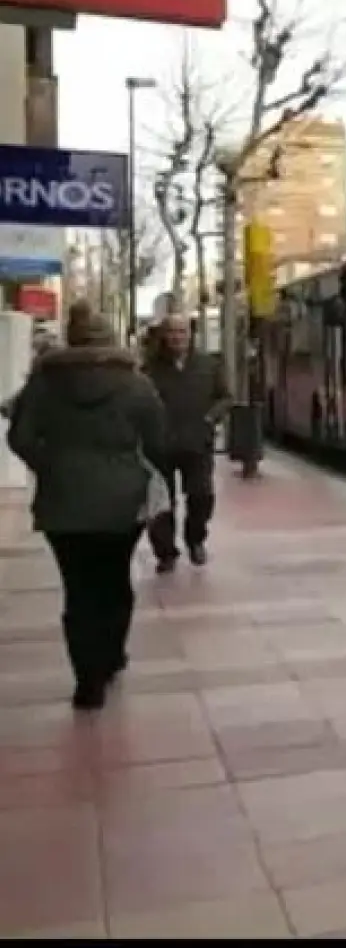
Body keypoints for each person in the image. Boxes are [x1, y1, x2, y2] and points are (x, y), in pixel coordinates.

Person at [5, 301, 166, 709]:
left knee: (78, 590)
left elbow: (20, 437)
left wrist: (50, 466)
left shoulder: (43, 383)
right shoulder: (135, 383)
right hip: (121, 499)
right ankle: (111, 655)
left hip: (63, 500)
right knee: (114, 580)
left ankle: (86, 680)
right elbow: (158, 436)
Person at [143, 313, 231, 572]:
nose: (177, 337)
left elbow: (225, 397)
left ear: (190, 334)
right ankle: (165, 552)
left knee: (202, 495)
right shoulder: (150, 369)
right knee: (161, 503)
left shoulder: (208, 365)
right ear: (163, 335)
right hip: (160, 446)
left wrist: (209, 418)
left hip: (197, 443)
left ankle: (195, 540)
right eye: (172, 332)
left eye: (182, 332)